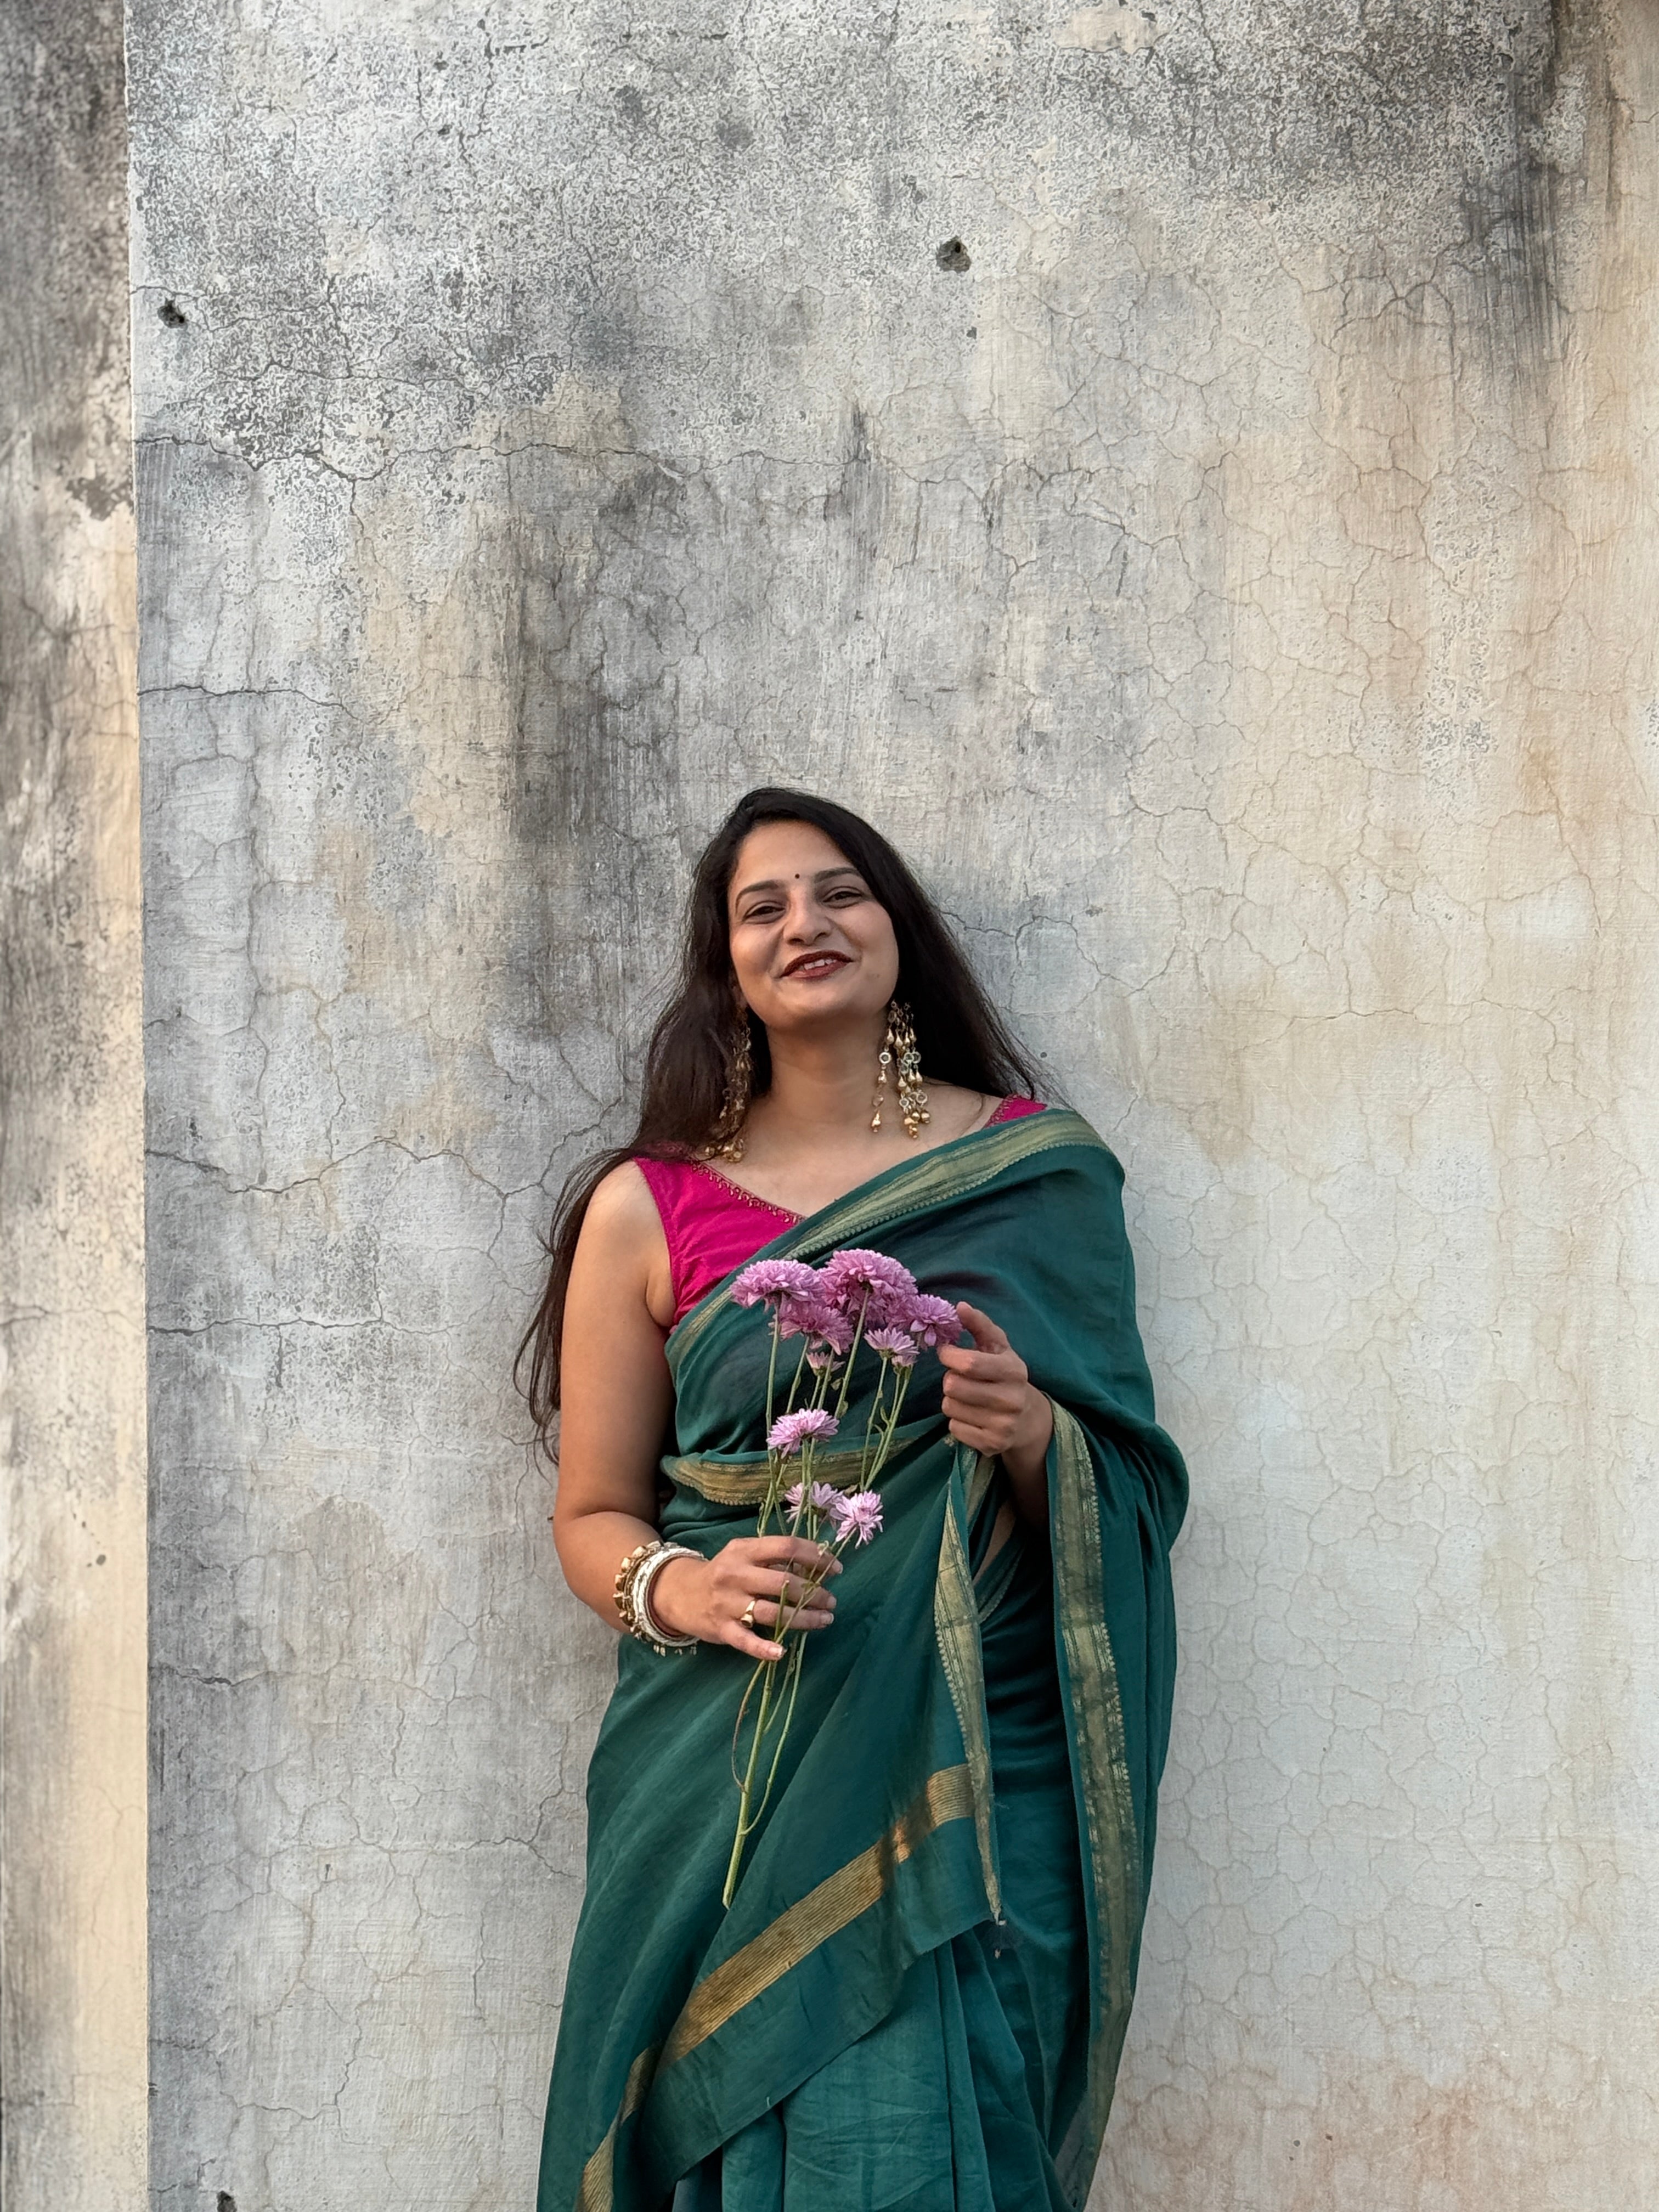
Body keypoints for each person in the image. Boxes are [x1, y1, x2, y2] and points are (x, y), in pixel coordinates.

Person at [518, 789, 1188, 2212]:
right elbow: (593, 1515)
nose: (806, 925)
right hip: (729, 1757)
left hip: (968, 1756)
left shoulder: (1035, 1177)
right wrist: (680, 1590)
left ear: (899, 932)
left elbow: (1128, 1480)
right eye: (763, 909)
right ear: (728, 968)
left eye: (842, 894)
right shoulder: (650, 1207)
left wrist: (1028, 1436)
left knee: (940, 2124)